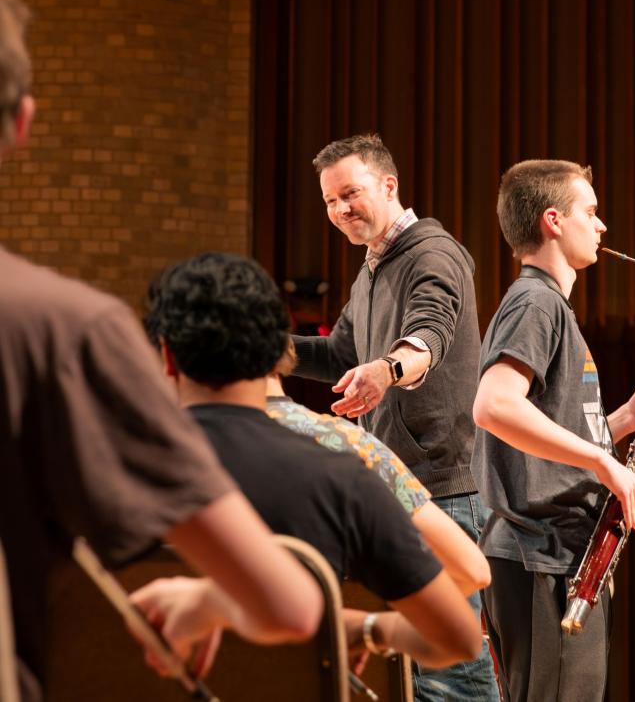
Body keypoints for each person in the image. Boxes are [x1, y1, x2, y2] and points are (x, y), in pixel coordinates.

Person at [0, 0, 323, 702]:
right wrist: (206, 601)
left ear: (171, 355)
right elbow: (292, 605)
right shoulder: (64, 330)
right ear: (22, 122)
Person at [142, 251, 484, 671]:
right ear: (279, 355)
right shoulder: (348, 467)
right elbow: (461, 626)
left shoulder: (106, 461)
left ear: (167, 357)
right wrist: (367, 628)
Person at [293, 132, 499, 700]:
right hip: (401, 487)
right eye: (331, 201)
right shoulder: (371, 270)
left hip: (444, 489)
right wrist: (259, 348)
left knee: (454, 674)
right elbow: (338, 353)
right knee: (415, 669)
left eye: (350, 194)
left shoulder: (433, 254)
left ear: (389, 185)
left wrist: (387, 369)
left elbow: (427, 332)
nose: (340, 210)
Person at [472, 159, 635, 702]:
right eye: (591, 212)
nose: (601, 226)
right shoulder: (536, 302)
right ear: (553, 220)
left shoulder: (548, 305)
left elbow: (544, 429)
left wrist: (623, 420)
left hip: (554, 553)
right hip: (537, 552)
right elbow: (495, 406)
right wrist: (605, 464)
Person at [266, 343, 491, 598]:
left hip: (439, 477)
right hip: (328, 628)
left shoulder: (211, 447)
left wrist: (388, 369)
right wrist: (376, 626)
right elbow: (472, 571)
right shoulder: (344, 443)